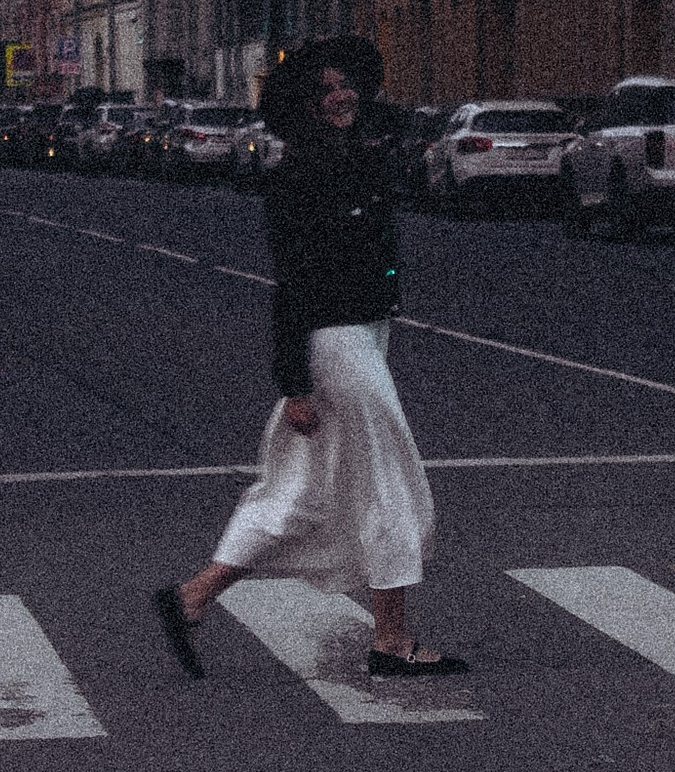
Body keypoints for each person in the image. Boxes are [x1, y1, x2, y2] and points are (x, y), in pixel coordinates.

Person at [155, 36, 466, 680]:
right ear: (304, 104)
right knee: (389, 480)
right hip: (333, 340)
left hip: (366, 330)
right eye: (325, 90)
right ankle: (392, 641)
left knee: (301, 487)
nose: (341, 96)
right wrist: (293, 382)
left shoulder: (357, 157)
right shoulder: (299, 176)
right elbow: (292, 282)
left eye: (347, 84)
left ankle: (193, 596)